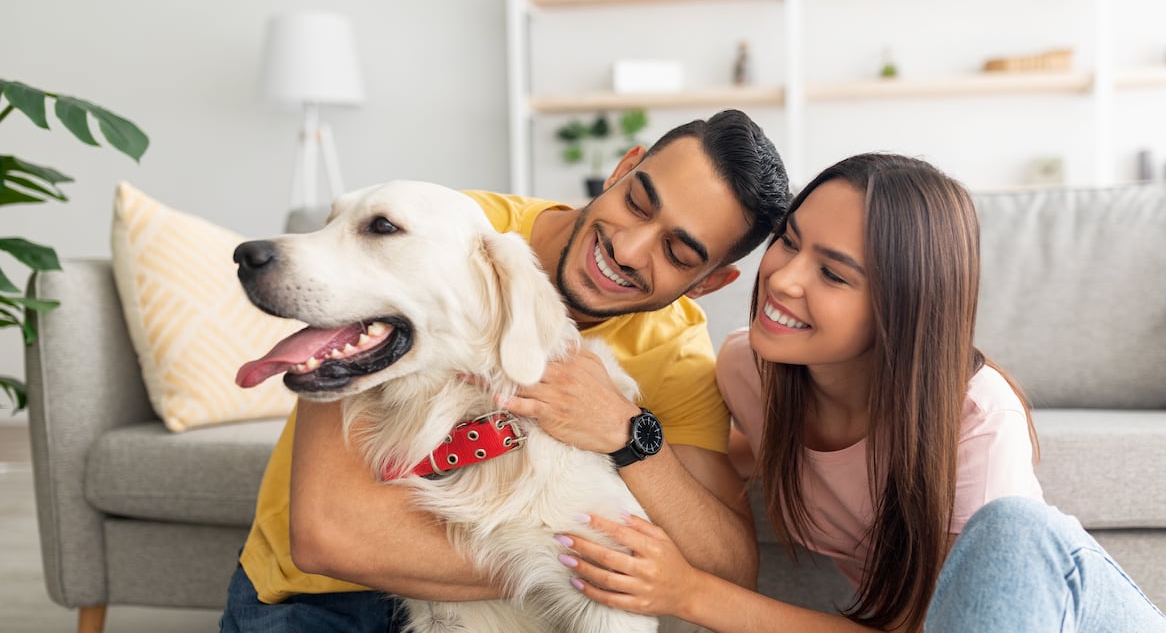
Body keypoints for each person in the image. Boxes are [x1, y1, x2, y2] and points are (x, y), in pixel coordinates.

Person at [219, 109, 792, 631]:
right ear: (623, 168)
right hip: (323, 602)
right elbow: (329, 538)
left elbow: (726, 569)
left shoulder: (675, 347)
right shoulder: (443, 228)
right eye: (639, 203)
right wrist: (593, 560)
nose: (628, 248)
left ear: (709, 283)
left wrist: (627, 432)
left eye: (679, 254)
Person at [557, 154, 1166, 632]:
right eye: (789, 241)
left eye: (832, 273)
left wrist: (689, 592)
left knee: (1014, 529)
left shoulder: (976, 417)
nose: (784, 280)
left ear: (899, 307)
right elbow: (711, 465)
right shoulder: (749, 371)